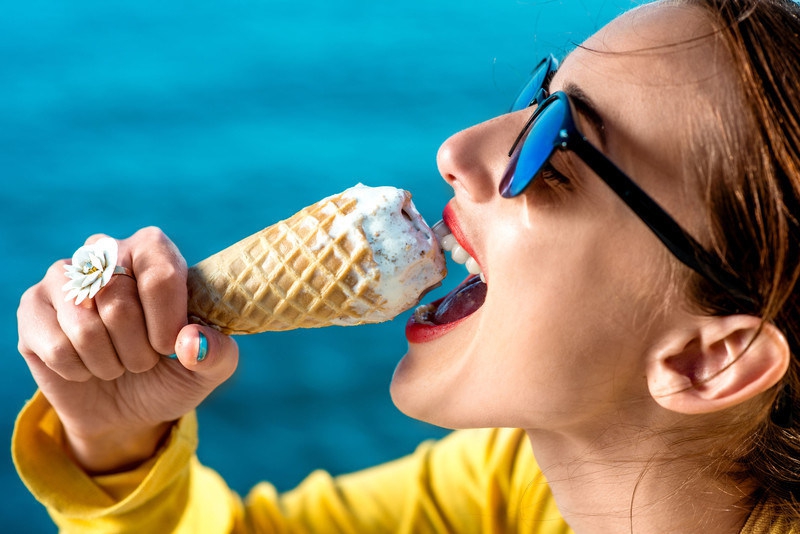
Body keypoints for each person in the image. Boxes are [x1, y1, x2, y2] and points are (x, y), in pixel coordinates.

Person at [13, 0, 800, 531]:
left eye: (556, 154)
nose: (457, 149)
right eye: (539, 95)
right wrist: (113, 434)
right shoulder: (510, 482)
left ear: (707, 359)